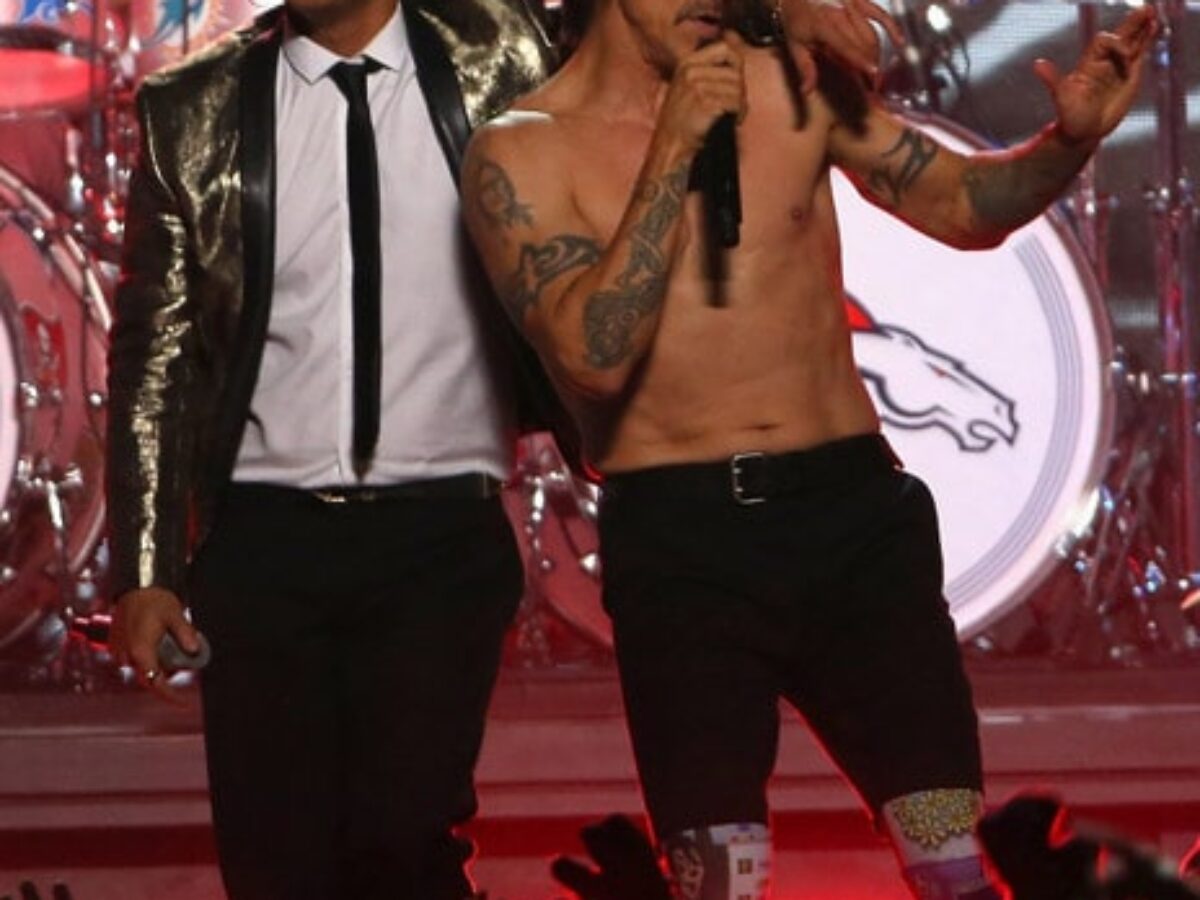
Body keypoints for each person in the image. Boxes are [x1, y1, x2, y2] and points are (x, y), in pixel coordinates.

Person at [461, 0, 1157, 896]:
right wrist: (673, 147)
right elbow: (594, 360)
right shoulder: (520, 151)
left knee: (952, 863)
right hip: (683, 546)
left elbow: (963, 205)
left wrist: (1068, 142)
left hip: (851, 517)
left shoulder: (785, 82)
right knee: (719, 882)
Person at [104, 0, 562, 896]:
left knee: (407, 847)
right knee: (277, 866)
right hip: (264, 546)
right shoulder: (193, 108)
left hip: (440, 537)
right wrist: (145, 569)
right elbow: (154, 354)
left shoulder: (502, 48)